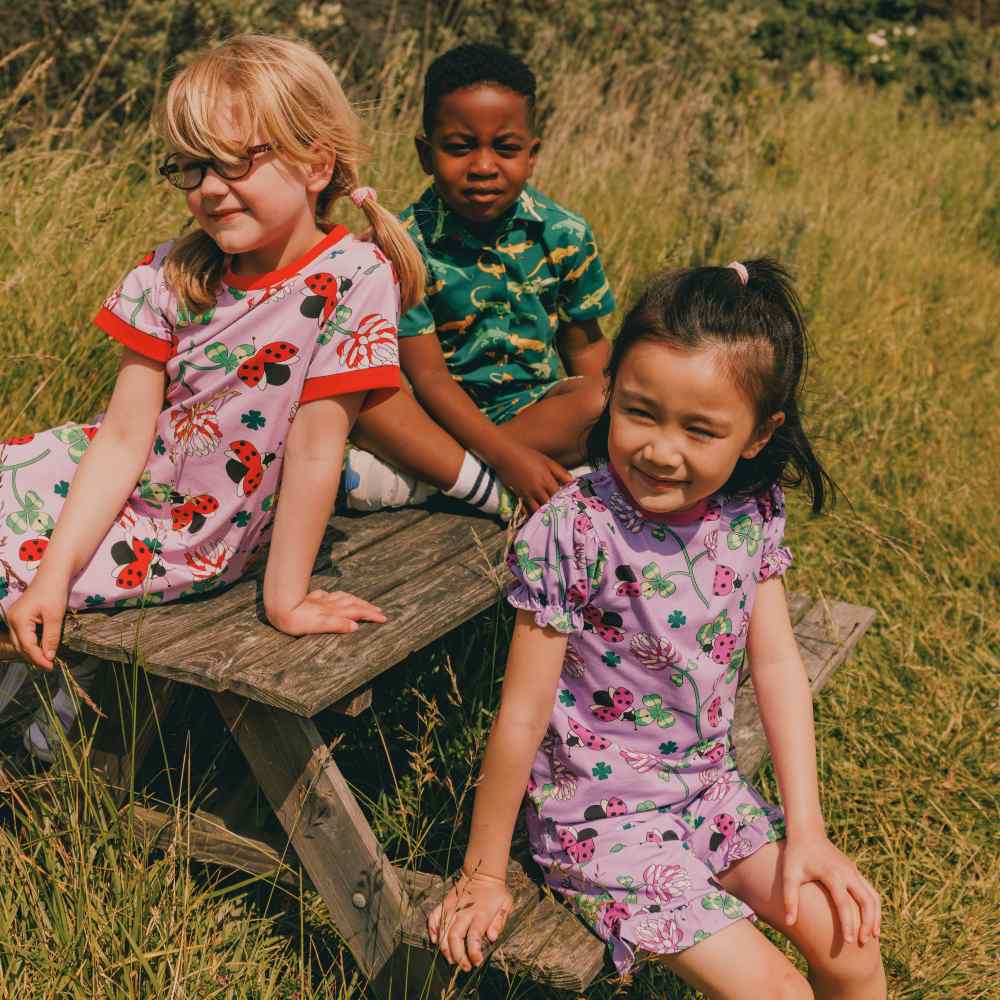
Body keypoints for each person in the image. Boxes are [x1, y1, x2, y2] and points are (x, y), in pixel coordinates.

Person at [429, 261, 886, 998]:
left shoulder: (751, 511)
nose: (660, 449)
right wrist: (483, 873)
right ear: (610, 392)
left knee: (851, 945)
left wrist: (809, 833)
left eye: (700, 429)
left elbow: (775, 667)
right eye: (640, 412)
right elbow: (521, 712)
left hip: (711, 792)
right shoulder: (575, 530)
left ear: (758, 435)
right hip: (601, 823)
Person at [0, 34, 423, 760]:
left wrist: (285, 598)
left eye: (236, 161)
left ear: (317, 163)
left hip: (182, 531)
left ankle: (36, 721)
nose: (210, 187)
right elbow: (123, 438)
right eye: (193, 166)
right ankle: (31, 705)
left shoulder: (353, 277)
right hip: (101, 480)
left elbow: (318, 448)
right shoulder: (171, 274)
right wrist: (53, 574)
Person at [343, 42, 616, 517]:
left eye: (506, 148)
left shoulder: (564, 233)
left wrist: (618, 425)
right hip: (431, 418)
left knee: (605, 397)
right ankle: (486, 479)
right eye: (459, 147)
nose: (484, 166)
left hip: (533, 411)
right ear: (425, 154)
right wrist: (510, 459)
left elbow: (586, 347)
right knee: (365, 403)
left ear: (532, 155)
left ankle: (428, 481)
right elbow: (429, 379)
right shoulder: (403, 245)